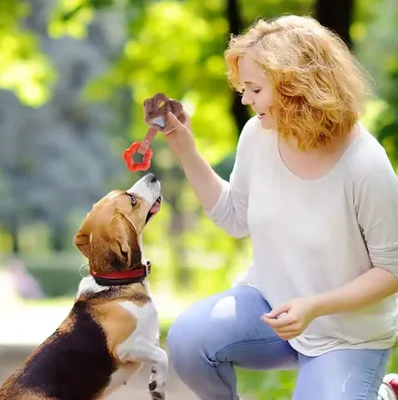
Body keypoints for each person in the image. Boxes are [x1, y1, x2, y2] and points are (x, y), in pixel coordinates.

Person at [163, 14, 398, 400]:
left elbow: (392, 271)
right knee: (189, 339)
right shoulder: (258, 134)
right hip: (271, 308)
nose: (245, 99)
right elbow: (234, 217)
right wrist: (185, 150)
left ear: (295, 87)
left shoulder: (365, 164)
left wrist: (314, 307)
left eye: (254, 89)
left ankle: (381, 394)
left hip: (347, 336)